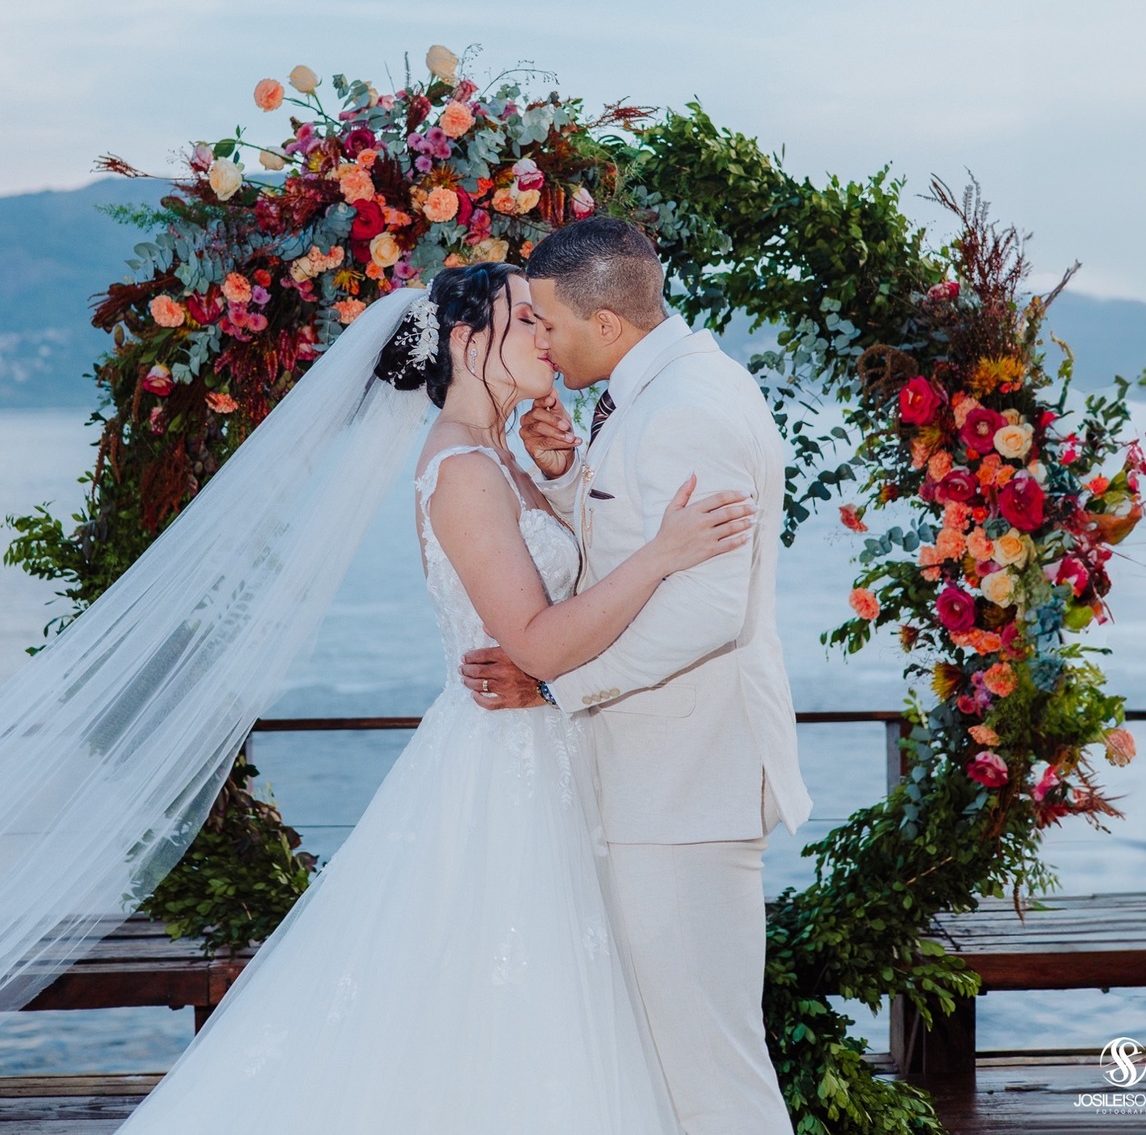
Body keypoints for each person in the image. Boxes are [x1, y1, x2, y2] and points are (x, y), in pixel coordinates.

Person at [98, 262, 753, 1133]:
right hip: (501, 771)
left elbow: (558, 593)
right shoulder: (462, 471)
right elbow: (538, 641)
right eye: (525, 319)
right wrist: (663, 553)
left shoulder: (499, 458)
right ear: (463, 340)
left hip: (548, 759)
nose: (546, 336)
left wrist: (557, 477)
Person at [461, 218, 812, 1135]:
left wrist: (551, 686)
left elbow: (705, 610)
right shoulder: (651, 393)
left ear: (606, 324)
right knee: (669, 1064)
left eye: (547, 320)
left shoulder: (692, 405)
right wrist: (571, 471)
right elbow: (638, 538)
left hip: (688, 782)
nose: (540, 338)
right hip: (655, 782)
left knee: (713, 1073)